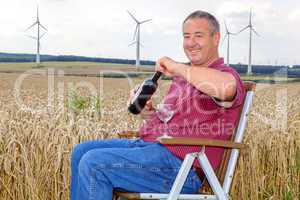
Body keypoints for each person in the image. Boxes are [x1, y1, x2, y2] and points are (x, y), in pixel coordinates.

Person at [70, 10, 245, 200]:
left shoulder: (223, 74)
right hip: (151, 149)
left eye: (198, 36)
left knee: (94, 163)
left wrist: (176, 66)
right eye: (186, 36)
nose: (191, 42)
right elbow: (169, 121)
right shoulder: (183, 79)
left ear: (216, 38)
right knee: (81, 152)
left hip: (181, 168)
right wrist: (148, 113)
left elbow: (227, 88)